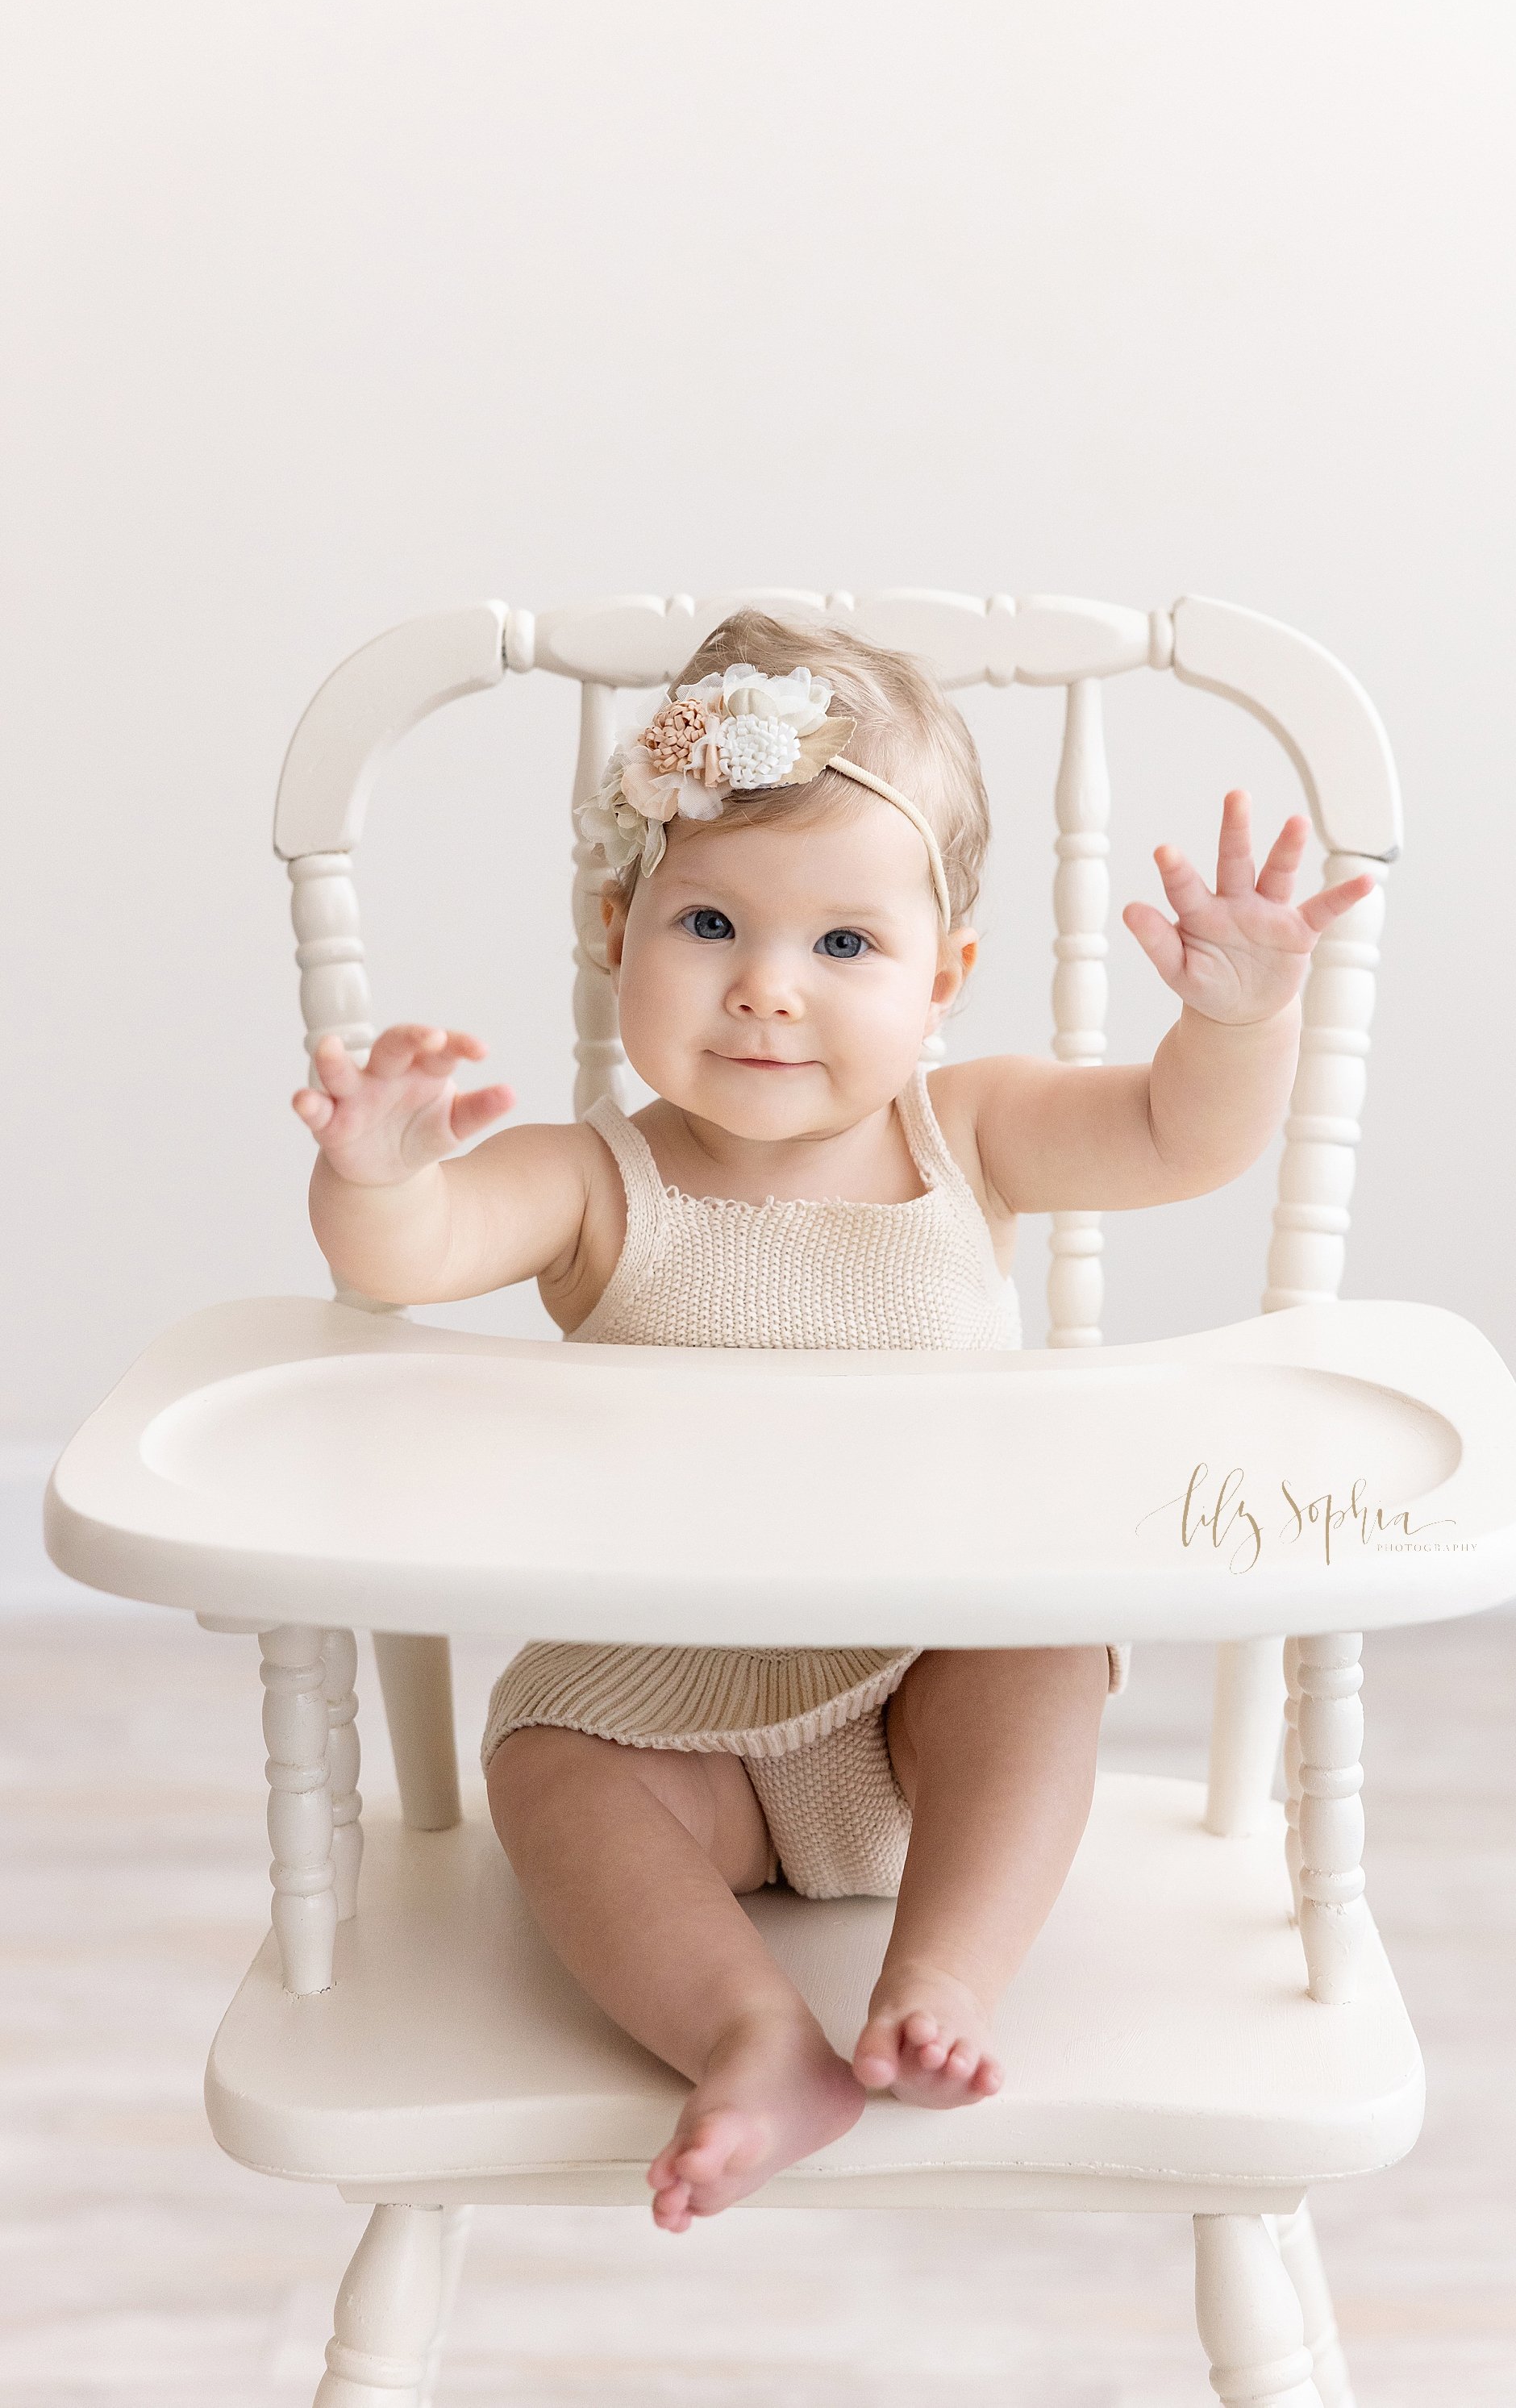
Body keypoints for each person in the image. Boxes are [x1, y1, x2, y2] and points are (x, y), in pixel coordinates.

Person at [293, 610, 1374, 2233]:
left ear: (941, 976)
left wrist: (1234, 1023)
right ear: (616, 925)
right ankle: (751, 2036)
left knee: (1043, 1654)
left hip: (916, 1688)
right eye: (711, 921)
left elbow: (1173, 1134)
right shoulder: (598, 1179)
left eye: (844, 947)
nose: (767, 993)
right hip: (668, 1718)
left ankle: (939, 1974)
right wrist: (376, 1169)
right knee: (544, 1773)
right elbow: (416, 1251)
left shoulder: (975, 1130)